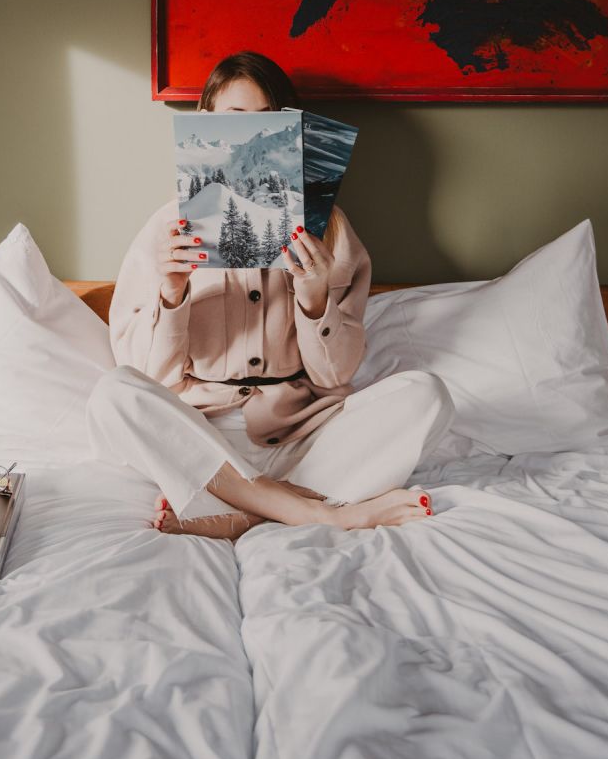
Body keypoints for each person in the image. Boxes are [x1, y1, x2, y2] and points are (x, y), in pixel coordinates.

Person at [85, 52, 455, 540]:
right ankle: (324, 513)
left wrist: (315, 298)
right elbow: (151, 378)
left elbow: (334, 375)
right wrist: (172, 292)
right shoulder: (166, 230)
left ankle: (242, 516)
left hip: (303, 436)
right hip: (202, 439)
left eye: (267, 124)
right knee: (113, 395)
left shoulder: (331, 231)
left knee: (427, 395)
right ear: (204, 127)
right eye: (234, 123)